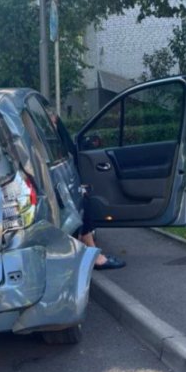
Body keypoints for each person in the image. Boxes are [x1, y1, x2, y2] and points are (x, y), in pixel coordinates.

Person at [48, 110, 126, 271]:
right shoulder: (44, 143)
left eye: (55, 122)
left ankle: (90, 251)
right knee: (82, 203)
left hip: (58, 190)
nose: (53, 125)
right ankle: (93, 254)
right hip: (53, 193)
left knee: (84, 201)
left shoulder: (52, 143)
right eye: (52, 122)